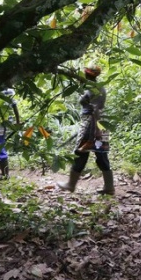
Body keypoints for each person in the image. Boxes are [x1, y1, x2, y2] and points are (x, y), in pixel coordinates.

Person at [57, 66, 115, 195]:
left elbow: (96, 110)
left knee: (81, 153)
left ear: (87, 75)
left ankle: (71, 184)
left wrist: (97, 130)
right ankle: (109, 187)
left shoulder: (95, 88)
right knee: (101, 154)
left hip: (93, 123)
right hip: (100, 123)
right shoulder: (95, 87)